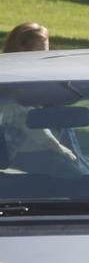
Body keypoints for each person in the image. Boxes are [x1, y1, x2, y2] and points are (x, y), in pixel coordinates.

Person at [1, 23, 81, 174]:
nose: (46, 57)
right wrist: (61, 150)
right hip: (24, 156)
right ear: (21, 51)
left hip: (40, 151)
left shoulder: (38, 80)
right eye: (40, 52)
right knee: (72, 174)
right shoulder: (12, 84)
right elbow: (30, 121)